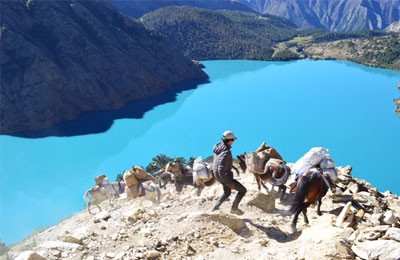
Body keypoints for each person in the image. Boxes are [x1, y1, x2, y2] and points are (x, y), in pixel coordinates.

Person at [211, 130, 247, 215]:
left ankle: (214, 208)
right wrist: (229, 182)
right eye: (233, 140)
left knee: (227, 192)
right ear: (230, 140)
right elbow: (221, 169)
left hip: (217, 176)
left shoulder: (218, 147)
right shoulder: (226, 153)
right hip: (224, 176)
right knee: (243, 190)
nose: (233, 142)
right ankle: (234, 208)